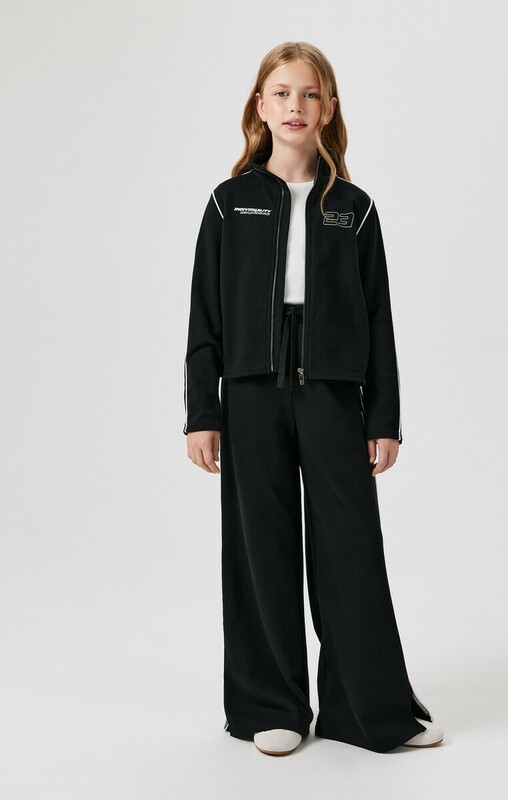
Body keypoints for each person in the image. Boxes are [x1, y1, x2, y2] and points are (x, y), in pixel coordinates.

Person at [183, 41, 444, 756]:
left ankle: (368, 710)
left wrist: (383, 417)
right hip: (251, 394)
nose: (295, 106)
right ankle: (272, 706)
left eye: (309, 94)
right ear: (260, 107)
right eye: (282, 93)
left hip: (332, 396)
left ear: (328, 108)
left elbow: (379, 319)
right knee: (259, 547)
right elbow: (205, 316)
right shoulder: (229, 203)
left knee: (350, 549)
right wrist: (203, 413)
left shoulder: (353, 209)